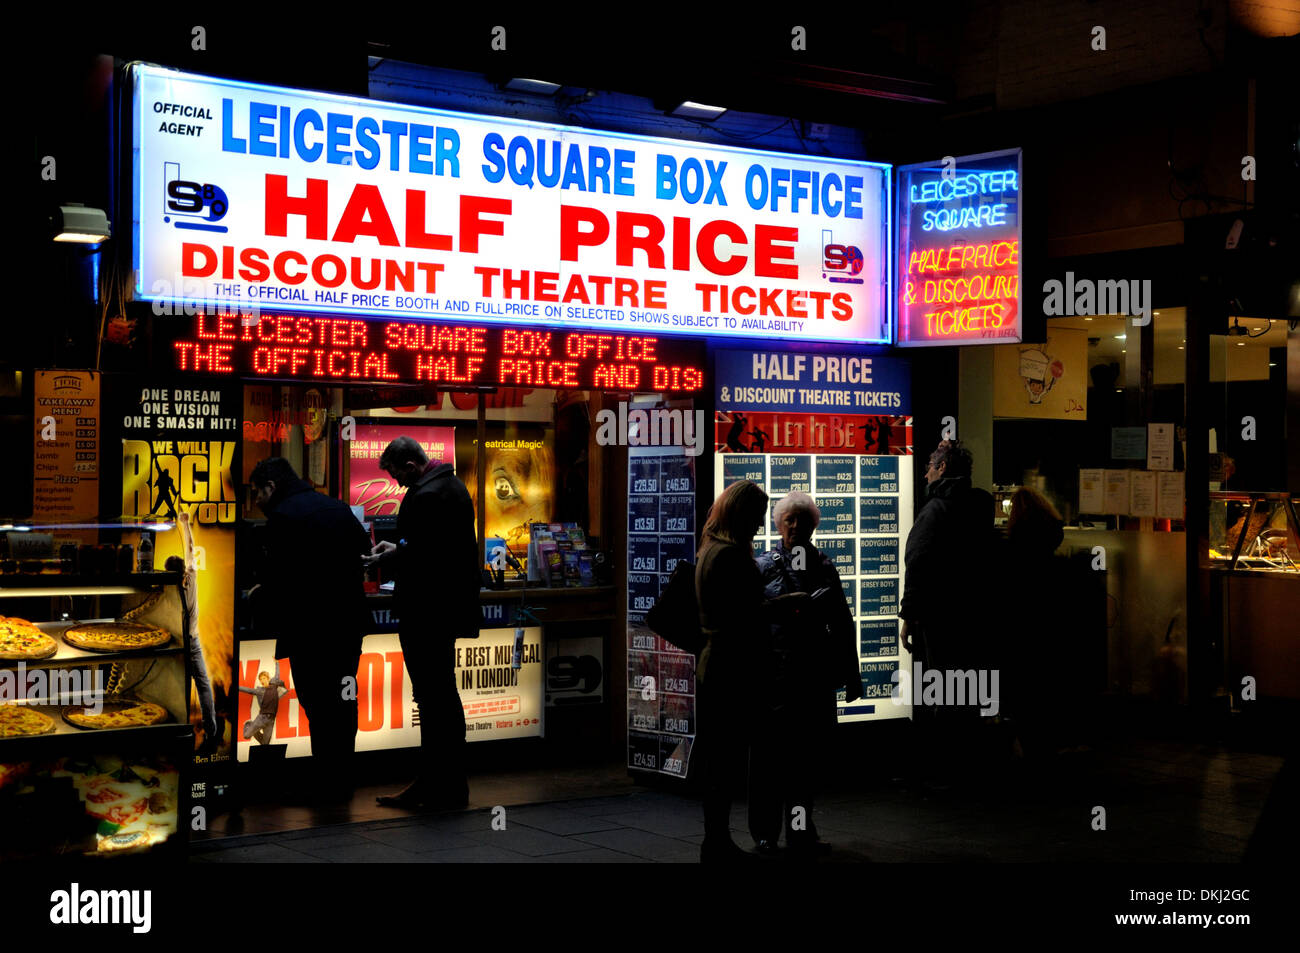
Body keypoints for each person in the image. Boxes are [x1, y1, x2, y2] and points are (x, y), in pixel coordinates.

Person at [366, 436, 481, 810]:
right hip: (446, 611)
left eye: (398, 475)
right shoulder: (454, 487)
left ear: (412, 467)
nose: (397, 484)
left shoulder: (426, 494)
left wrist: (394, 556)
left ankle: (436, 786)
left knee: (433, 698)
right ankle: (448, 784)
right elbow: (438, 549)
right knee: (442, 696)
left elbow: (427, 560)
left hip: (425, 613)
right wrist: (401, 550)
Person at [695, 480, 804, 862]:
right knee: (730, 759)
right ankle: (719, 841)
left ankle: (716, 839)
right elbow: (746, 614)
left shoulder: (709, 549)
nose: (760, 526)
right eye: (757, 517)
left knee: (718, 759)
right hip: (735, 667)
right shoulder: (732, 556)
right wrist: (786, 603)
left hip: (714, 663)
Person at [249, 457, 370, 800]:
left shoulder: (283, 518)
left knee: (317, 703)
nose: (256, 500)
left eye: (257, 492)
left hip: (309, 629)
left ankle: (326, 778)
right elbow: (362, 551)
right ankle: (341, 777)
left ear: (271, 487)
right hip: (348, 625)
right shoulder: (337, 508)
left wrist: (259, 595)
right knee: (343, 701)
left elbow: (277, 578)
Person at [751, 491, 863, 856]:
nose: (796, 526)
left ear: (814, 525)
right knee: (769, 764)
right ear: (778, 524)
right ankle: (765, 835)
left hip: (810, 681)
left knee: (803, 766)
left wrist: (852, 676)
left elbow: (843, 625)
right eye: (790, 519)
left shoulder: (824, 567)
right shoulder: (763, 566)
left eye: (803, 520)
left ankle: (799, 831)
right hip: (774, 680)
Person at [899, 439, 996, 784]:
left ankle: (941, 769)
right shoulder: (980, 505)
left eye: (929, 465)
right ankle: (969, 765)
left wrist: (908, 616)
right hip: (973, 616)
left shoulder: (936, 509)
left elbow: (918, 562)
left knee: (940, 691)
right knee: (968, 692)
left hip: (939, 617)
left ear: (941, 469)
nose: (925, 472)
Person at [239, 666, 287, 746]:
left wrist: (277, 663)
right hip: (262, 718)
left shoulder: (274, 686)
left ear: (268, 679)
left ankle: (253, 726)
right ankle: (249, 724)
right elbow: (248, 690)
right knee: (246, 736)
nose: (262, 681)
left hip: (271, 720)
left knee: (265, 744)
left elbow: (277, 674)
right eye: (260, 679)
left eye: (264, 678)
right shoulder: (259, 691)